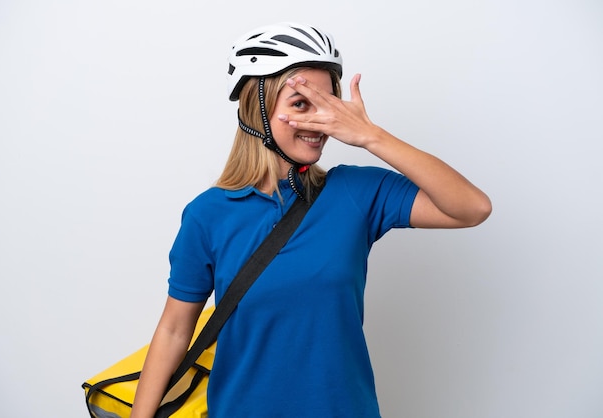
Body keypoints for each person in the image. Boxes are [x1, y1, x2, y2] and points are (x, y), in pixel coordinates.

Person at [130, 22, 491, 418]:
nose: (321, 122)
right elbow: (174, 331)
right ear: (259, 111)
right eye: (301, 104)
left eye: (328, 105)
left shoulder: (356, 193)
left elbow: (471, 207)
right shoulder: (208, 214)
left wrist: (370, 136)